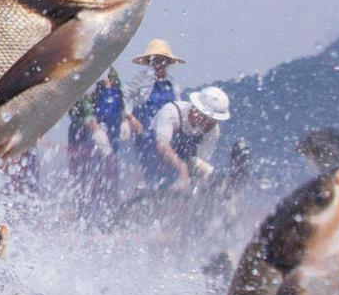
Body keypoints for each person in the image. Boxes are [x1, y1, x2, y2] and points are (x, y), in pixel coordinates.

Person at [67, 67, 129, 220]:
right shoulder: (85, 71)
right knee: (86, 182)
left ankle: (110, 219)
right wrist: (95, 130)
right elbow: (80, 107)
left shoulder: (113, 73)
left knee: (109, 180)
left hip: (111, 136)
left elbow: (120, 99)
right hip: (84, 138)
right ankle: (85, 221)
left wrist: (124, 120)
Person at [143, 86, 229, 191]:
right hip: (152, 152)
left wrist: (205, 177)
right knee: (158, 182)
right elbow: (162, 146)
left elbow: (199, 159)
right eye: (206, 119)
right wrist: (182, 169)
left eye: (213, 121)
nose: (208, 124)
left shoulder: (213, 130)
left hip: (184, 157)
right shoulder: (171, 112)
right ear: (195, 110)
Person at [129, 39, 185, 135]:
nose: (159, 65)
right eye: (156, 61)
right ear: (151, 62)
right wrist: (131, 118)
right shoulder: (140, 79)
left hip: (166, 131)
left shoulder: (172, 84)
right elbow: (122, 97)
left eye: (162, 61)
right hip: (143, 129)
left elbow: (178, 109)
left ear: (167, 63)